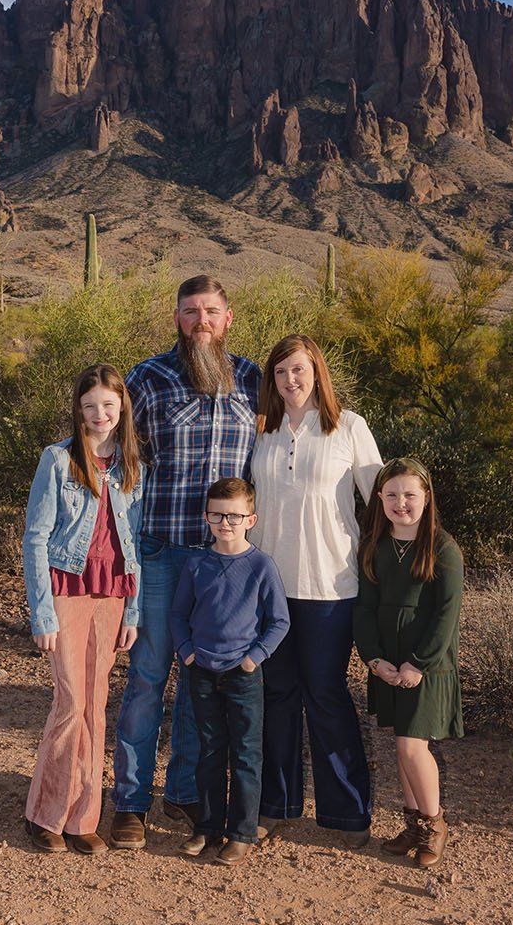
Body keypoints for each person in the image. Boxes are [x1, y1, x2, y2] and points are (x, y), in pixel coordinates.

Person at [110, 277, 262, 850]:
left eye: (212, 311)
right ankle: (129, 802)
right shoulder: (148, 378)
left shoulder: (250, 379)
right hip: (162, 553)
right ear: (177, 317)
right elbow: (119, 457)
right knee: (148, 678)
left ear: (228, 318)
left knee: (205, 680)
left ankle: (183, 791)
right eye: (191, 311)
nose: (202, 320)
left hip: (224, 562)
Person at [249, 334, 381, 845]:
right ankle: (275, 806)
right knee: (277, 695)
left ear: (317, 371)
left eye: (299, 369)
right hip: (268, 585)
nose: (291, 380)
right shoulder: (261, 430)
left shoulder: (349, 427)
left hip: (331, 585)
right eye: (281, 372)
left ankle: (347, 813)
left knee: (326, 695)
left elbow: (381, 497)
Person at [22, 365, 142, 856]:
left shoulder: (134, 467)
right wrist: (42, 613)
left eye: (109, 405)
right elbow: (35, 537)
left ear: (122, 409)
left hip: (113, 596)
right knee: (70, 704)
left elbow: (135, 547)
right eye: (90, 405)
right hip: (67, 591)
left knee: (95, 705)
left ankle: (83, 819)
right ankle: (44, 813)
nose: (100, 414)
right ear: (78, 409)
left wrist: (133, 612)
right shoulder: (58, 459)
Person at [169, 477, 290, 865]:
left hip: (243, 674)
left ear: (250, 519)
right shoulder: (196, 564)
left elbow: (279, 622)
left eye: (234, 516)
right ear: (206, 517)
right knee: (209, 751)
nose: (225, 523)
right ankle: (206, 828)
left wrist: (254, 657)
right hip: (200, 671)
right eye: (217, 515)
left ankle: (240, 832)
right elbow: (177, 614)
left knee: (245, 753)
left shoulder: (261, 566)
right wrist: (186, 653)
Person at [352, 457, 463, 868]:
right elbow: (364, 610)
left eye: (410, 495)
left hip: (426, 666)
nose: (402, 503)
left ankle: (435, 824)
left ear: (427, 497)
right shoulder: (374, 548)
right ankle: (415, 824)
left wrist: (418, 664)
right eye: (393, 494)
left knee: (413, 746)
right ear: (379, 498)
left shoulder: (444, 549)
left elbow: (446, 616)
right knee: (401, 746)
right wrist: (375, 659)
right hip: (388, 662)